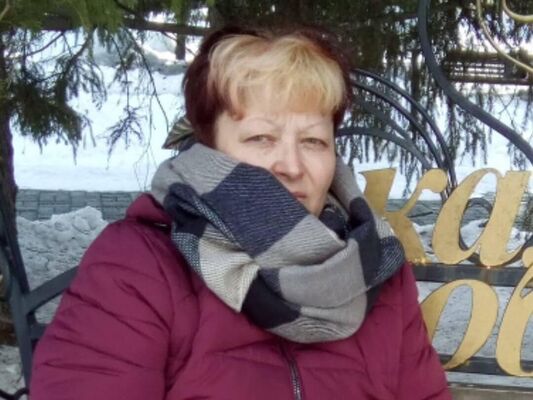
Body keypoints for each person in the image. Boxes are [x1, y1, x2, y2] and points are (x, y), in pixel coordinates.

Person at [31, 26, 451, 399]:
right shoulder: (140, 265)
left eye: (313, 141)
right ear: (210, 151)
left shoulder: (376, 267)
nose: (291, 165)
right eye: (261, 137)